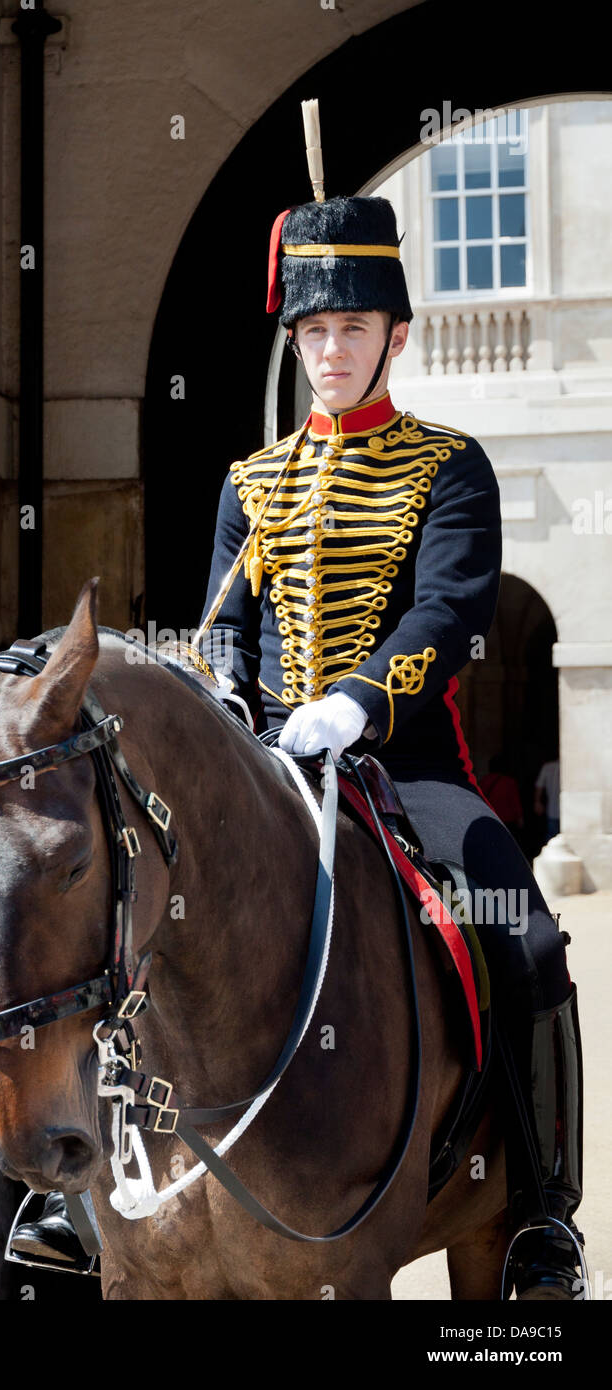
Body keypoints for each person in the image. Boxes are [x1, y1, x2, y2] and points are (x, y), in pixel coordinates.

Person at [193, 169, 584, 1298]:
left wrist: (358, 700)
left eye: (350, 328)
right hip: (266, 760)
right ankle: (85, 1195)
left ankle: (536, 1204)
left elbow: (447, 609)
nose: (328, 350)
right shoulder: (249, 482)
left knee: (524, 929)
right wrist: (229, 700)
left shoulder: (443, 466)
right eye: (311, 330)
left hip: (400, 767)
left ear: (393, 336)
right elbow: (224, 618)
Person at [535, 757, 561, 842]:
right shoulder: (572, 767)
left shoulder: (548, 767)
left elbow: (539, 786)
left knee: (552, 840)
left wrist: (537, 802)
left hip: (552, 810)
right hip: (567, 812)